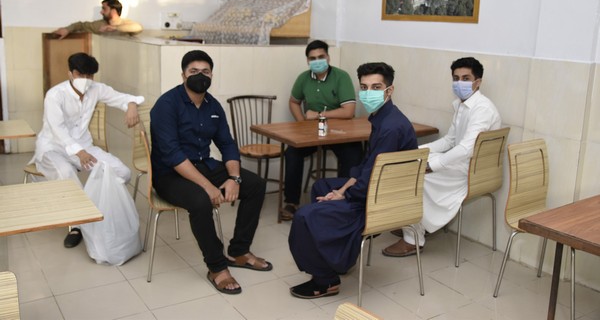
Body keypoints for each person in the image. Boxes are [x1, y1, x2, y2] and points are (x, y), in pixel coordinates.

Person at [288, 62, 418, 299]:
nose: (368, 93)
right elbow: (368, 165)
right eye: (364, 87)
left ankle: (326, 281)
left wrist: (344, 194)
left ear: (389, 90)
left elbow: (371, 181)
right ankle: (337, 254)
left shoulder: (390, 127)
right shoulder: (383, 118)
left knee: (305, 216)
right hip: (374, 188)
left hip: (380, 201)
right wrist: (344, 188)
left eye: (376, 87)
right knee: (321, 186)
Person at [150, 50, 272, 295]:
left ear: (212, 75)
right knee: (200, 200)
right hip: (169, 174)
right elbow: (173, 155)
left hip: (204, 165)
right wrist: (208, 186)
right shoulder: (166, 105)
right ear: (183, 75)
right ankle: (217, 267)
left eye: (205, 72)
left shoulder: (213, 105)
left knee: (256, 185)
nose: (200, 76)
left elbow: (227, 144)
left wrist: (234, 178)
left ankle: (239, 251)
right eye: (193, 71)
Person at [382, 57, 502, 257]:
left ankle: (413, 238)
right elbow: (449, 141)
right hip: (462, 163)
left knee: (414, 177)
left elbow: (466, 148)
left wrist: (432, 164)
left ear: (478, 82)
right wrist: (415, 151)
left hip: (473, 170)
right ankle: (414, 223)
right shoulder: (462, 105)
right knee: (410, 164)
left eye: (466, 78)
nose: (459, 83)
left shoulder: (482, 109)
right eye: (456, 78)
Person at [31, 52, 144, 248]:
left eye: (89, 75)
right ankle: (77, 226)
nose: (85, 79)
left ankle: (100, 210)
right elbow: (58, 130)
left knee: (122, 173)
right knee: (66, 174)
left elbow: (121, 98)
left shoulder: (96, 89)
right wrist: (79, 153)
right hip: (53, 148)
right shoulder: (55, 95)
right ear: (70, 74)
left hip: (85, 146)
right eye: (80, 74)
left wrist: (131, 105)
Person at [282, 40, 363, 220]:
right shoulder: (303, 78)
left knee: (354, 154)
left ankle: (342, 200)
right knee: (292, 153)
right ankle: (291, 202)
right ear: (307, 61)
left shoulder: (341, 77)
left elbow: (349, 111)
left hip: (340, 134)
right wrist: (302, 122)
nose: (317, 61)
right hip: (313, 134)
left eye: (321, 57)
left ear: (328, 57)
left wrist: (319, 114)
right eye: (312, 58)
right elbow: (293, 102)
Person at [53, 0, 143, 39]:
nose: (101, 12)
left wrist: (115, 28)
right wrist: (67, 29)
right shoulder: (99, 24)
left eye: (104, 9)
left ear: (113, 10)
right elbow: (81, 25)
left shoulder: (125, 23)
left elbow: (138, 28)